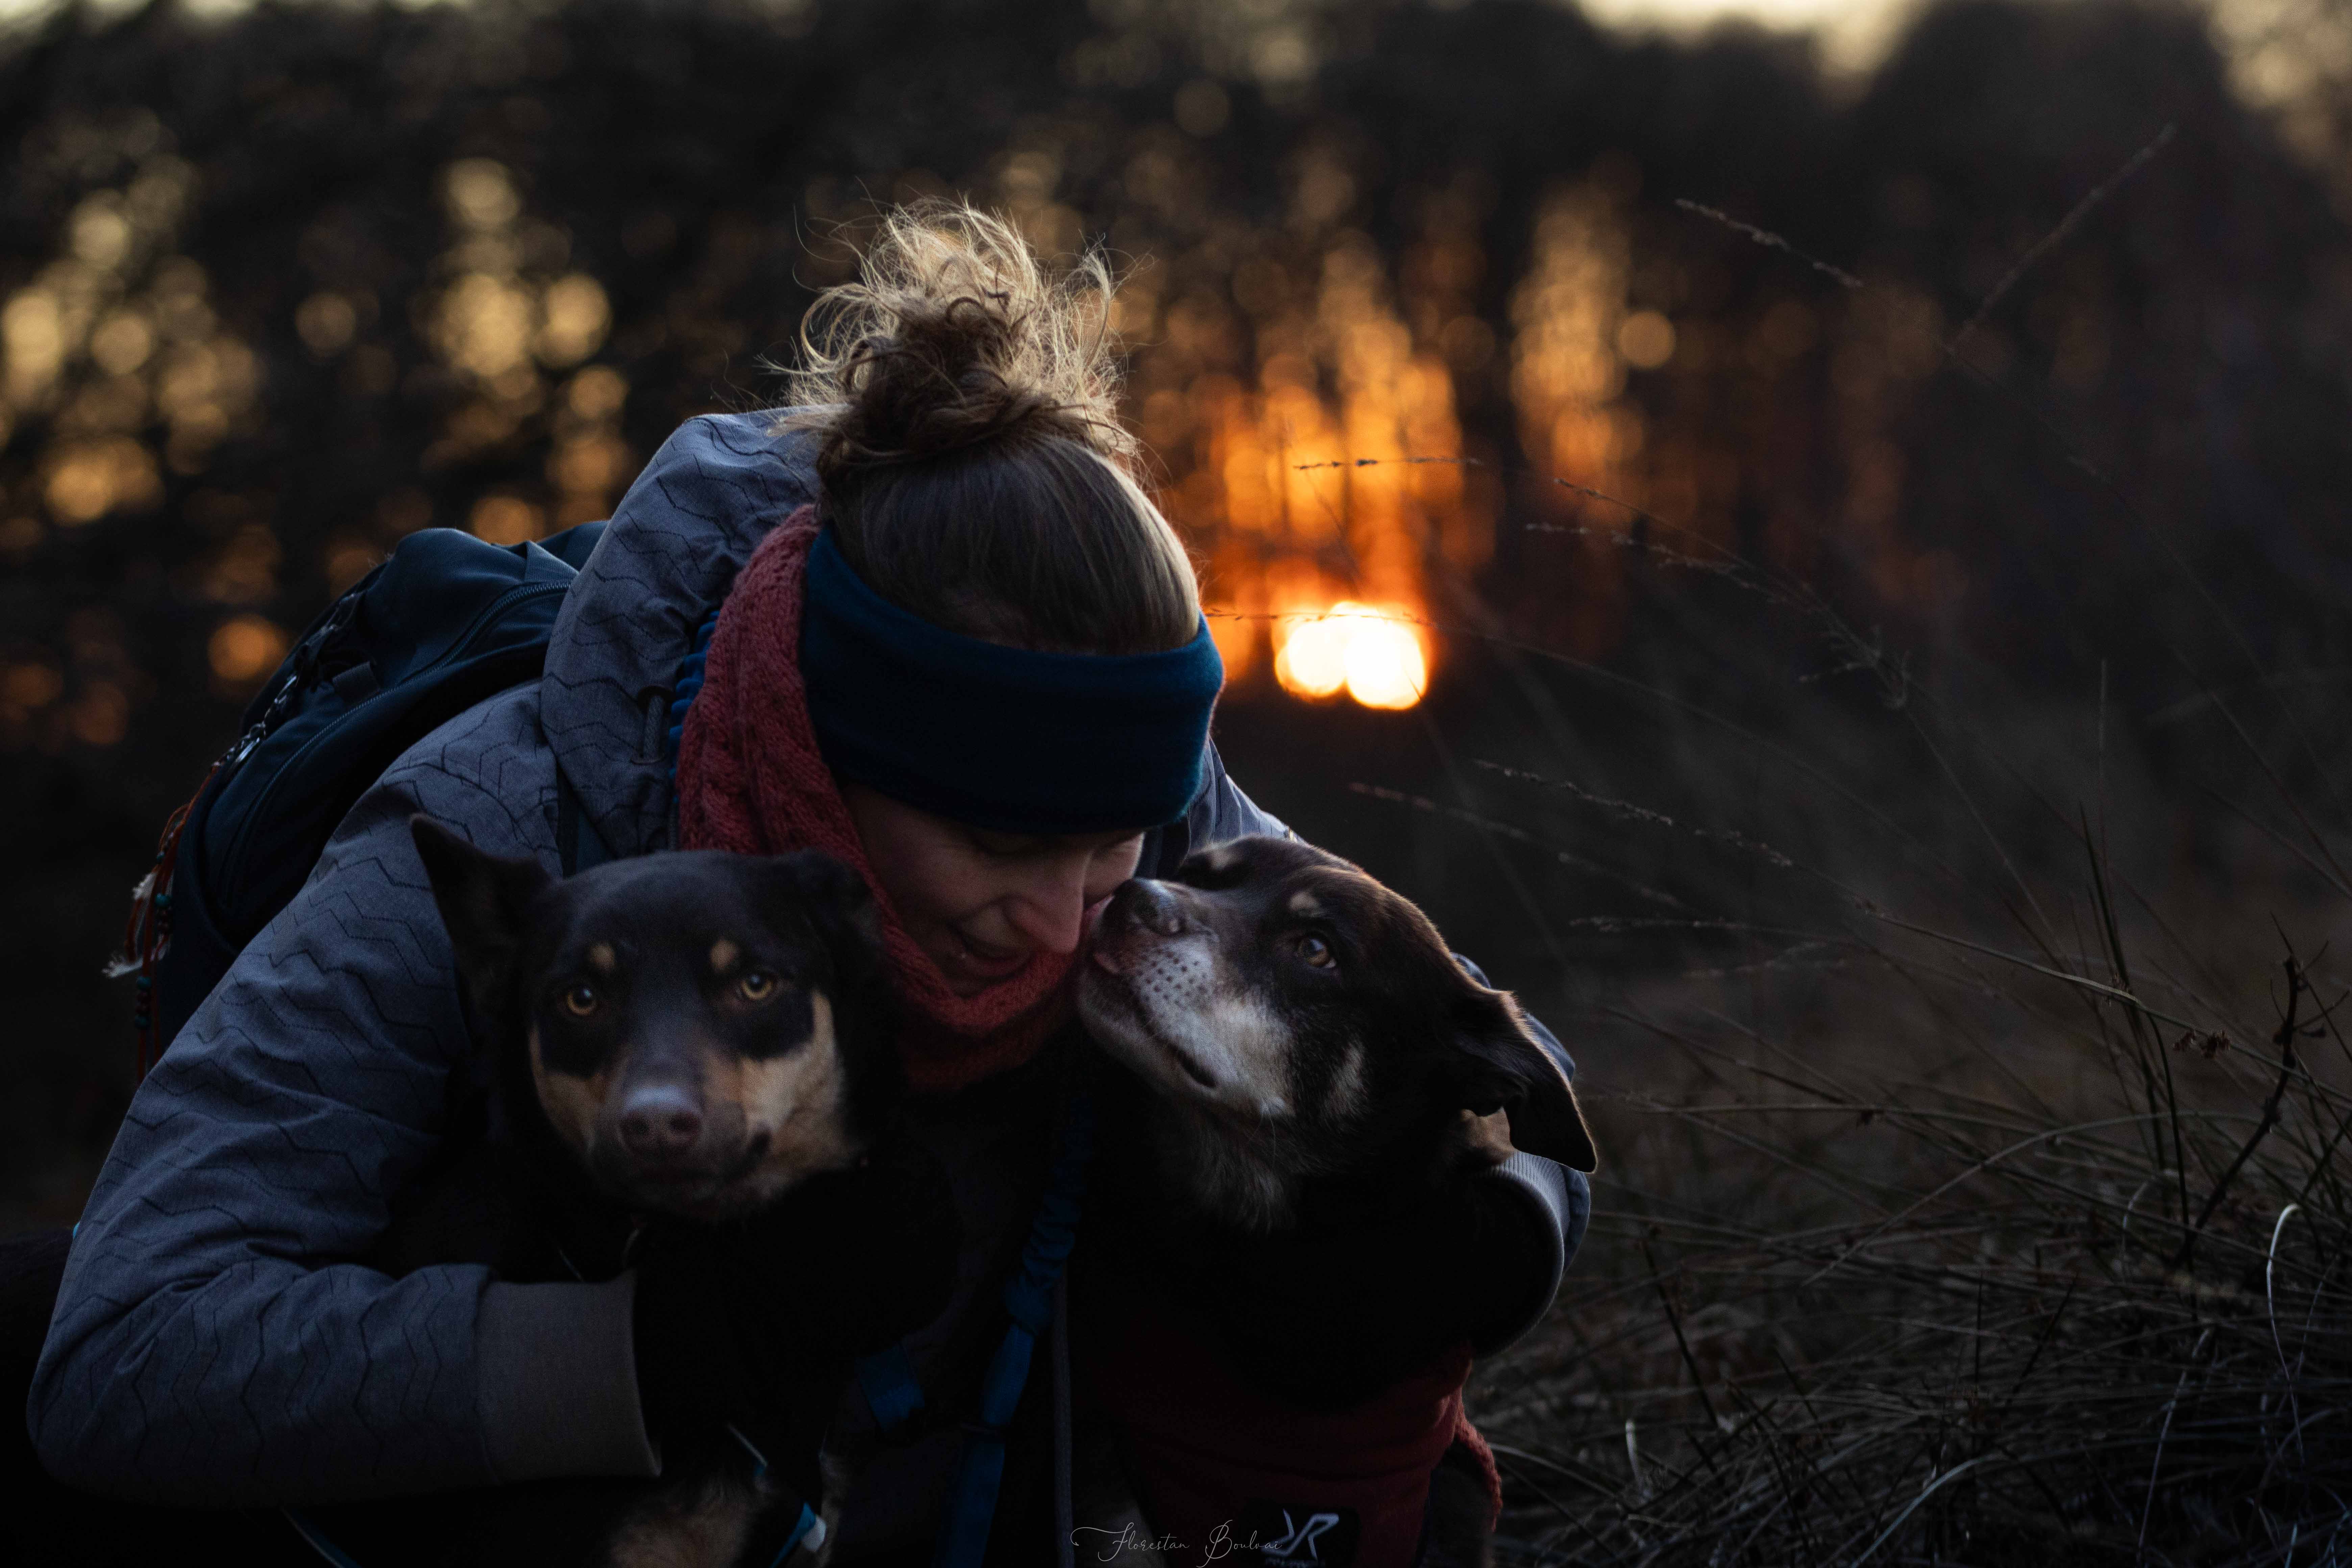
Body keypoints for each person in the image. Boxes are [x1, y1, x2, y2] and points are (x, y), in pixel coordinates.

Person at [26, 202, 1588, 1562]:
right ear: (829, 750)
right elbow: (124, 1351)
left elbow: (1474, 1033)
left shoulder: (1140, 799)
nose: (1076, 919)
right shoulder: (508, 821)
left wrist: (1498, 1229)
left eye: (1114, 846)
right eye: (998, 846)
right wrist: (642, 1355)